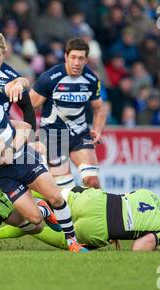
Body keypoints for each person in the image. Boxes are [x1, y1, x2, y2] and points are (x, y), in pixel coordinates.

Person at [0, 81, 89, 253]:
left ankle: (72, 242)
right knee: (35, 219)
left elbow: (22, 84)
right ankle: (44, 211)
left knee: (55, 197)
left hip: (23, 157)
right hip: (1, 173)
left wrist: (18, 84)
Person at [0, 186, 160, 252]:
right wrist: (154, 247)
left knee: (52, 196)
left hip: (94, 200)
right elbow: (139, 248)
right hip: (99, 228)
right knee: (47, 230)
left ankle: (1, 193)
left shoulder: (150, 194)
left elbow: (125, 202)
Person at [29, 38, 106, 189]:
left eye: (81, 58)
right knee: (65, 188)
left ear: (86, 60)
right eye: (73, 57)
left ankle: (94, 211)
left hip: (80, 134)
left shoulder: (91, 80)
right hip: (53, 137)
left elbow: (99, 108)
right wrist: (32, 135)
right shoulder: (49, 78)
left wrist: (97, 130)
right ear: (66, 57)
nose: (76, 63)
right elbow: (29, 106)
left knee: (93, 182)